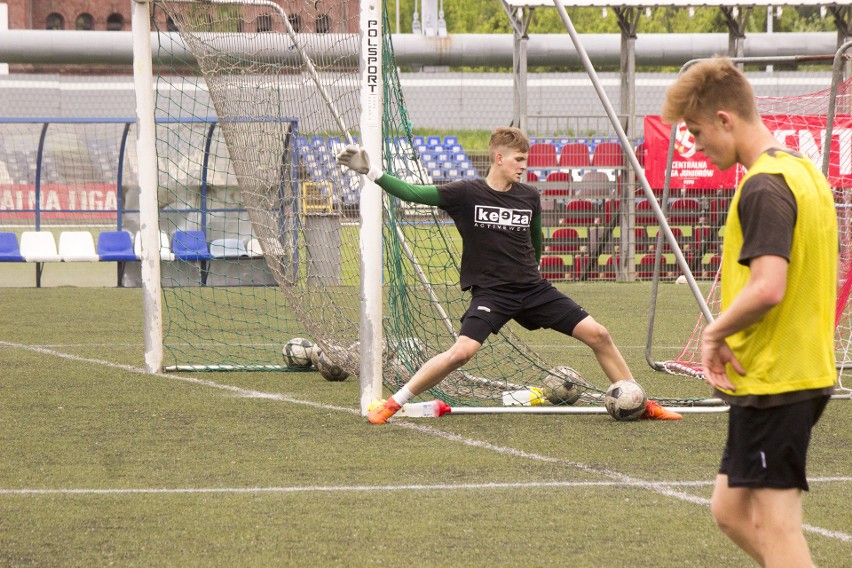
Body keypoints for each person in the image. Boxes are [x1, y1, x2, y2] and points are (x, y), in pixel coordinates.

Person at [336, 127, 681, 424]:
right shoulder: (466, 193)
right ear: (499, 158)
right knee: (461, 353)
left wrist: (532, 272)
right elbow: (414, 193)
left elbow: (537, 239)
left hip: (533, 289)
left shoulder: (529, 196)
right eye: (518, 160)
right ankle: (393, 404)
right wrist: (373, 172)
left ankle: (641, 403)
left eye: (525, 161)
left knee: (599, 334)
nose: (523, 167)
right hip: (492, 294)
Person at [662, 57, 837, 567]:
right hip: (781, 374)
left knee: (775, 528)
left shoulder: (764, 185)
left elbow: (769, 287)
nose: (694, 145)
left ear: (724, 119)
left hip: (779, 381)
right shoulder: (804, 172)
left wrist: (714, 333)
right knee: (730, 510)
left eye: (695, 133)